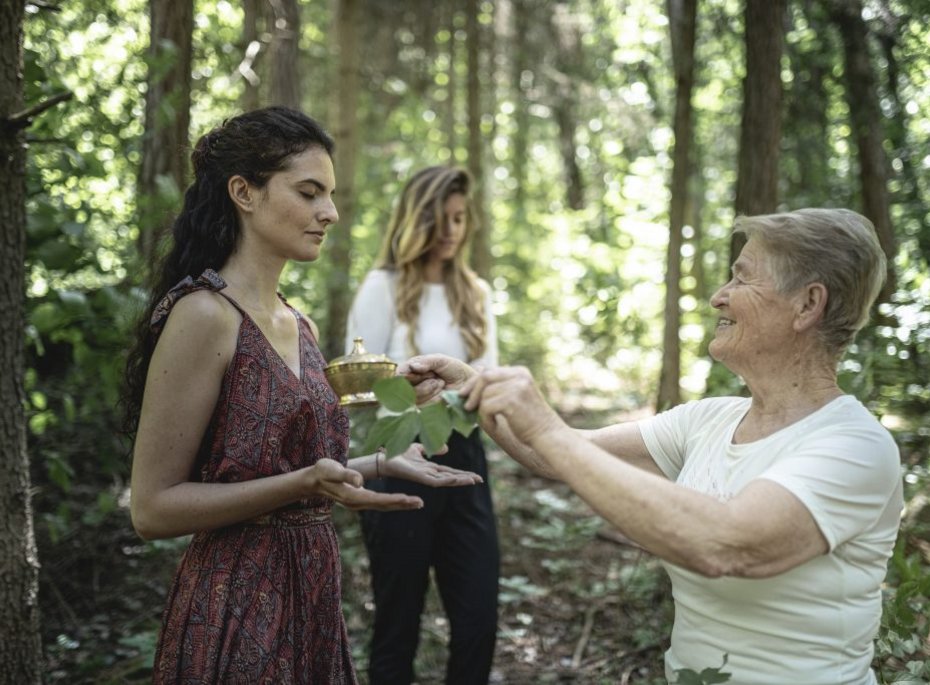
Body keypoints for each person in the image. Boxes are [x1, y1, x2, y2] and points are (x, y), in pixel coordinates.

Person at [400, 208, 903, 685]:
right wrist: (472, 385)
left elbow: (729, 544)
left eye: (742, 277)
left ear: (808, 305)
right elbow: (554, 454)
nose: (719, 297)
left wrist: (546, 428)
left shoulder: (854, 446)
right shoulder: (711, 419)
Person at [123, 107, 483, 684]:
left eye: (331, 195)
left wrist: (380, 463)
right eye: (310, 192)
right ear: (244, 191)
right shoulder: (203, 315)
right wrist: (304, 483)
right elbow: (152, 509)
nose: (330, 213)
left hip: (313, 595)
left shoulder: (301, 324)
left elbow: (302, 470)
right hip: (236, 605)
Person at [345, 166, 500, 685]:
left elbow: (487, 379)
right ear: (418, 218)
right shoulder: (381, 287)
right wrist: (403, 386)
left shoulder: (475, 291)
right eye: (442, 217)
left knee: (477, 614)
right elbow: (355, 385)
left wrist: (463, 389)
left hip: (466, 455)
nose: (453, 229)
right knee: (398, 618)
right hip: (397, 458)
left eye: (461, 218)